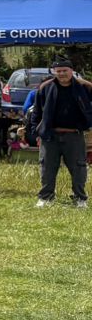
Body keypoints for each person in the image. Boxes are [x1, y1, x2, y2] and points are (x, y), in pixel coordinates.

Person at [28, 57, 92, 208]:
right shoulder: (45, 87)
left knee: (79, 168)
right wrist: (36, 132)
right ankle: (46, 198)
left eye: (65, 70)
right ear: (54, 72)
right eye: (59, 71)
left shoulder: (84, 87)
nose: (62, 74)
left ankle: (80, 198)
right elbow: (36, 112)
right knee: (47, 167)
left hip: (74, 135)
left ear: (72, 71)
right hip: (50, 135)